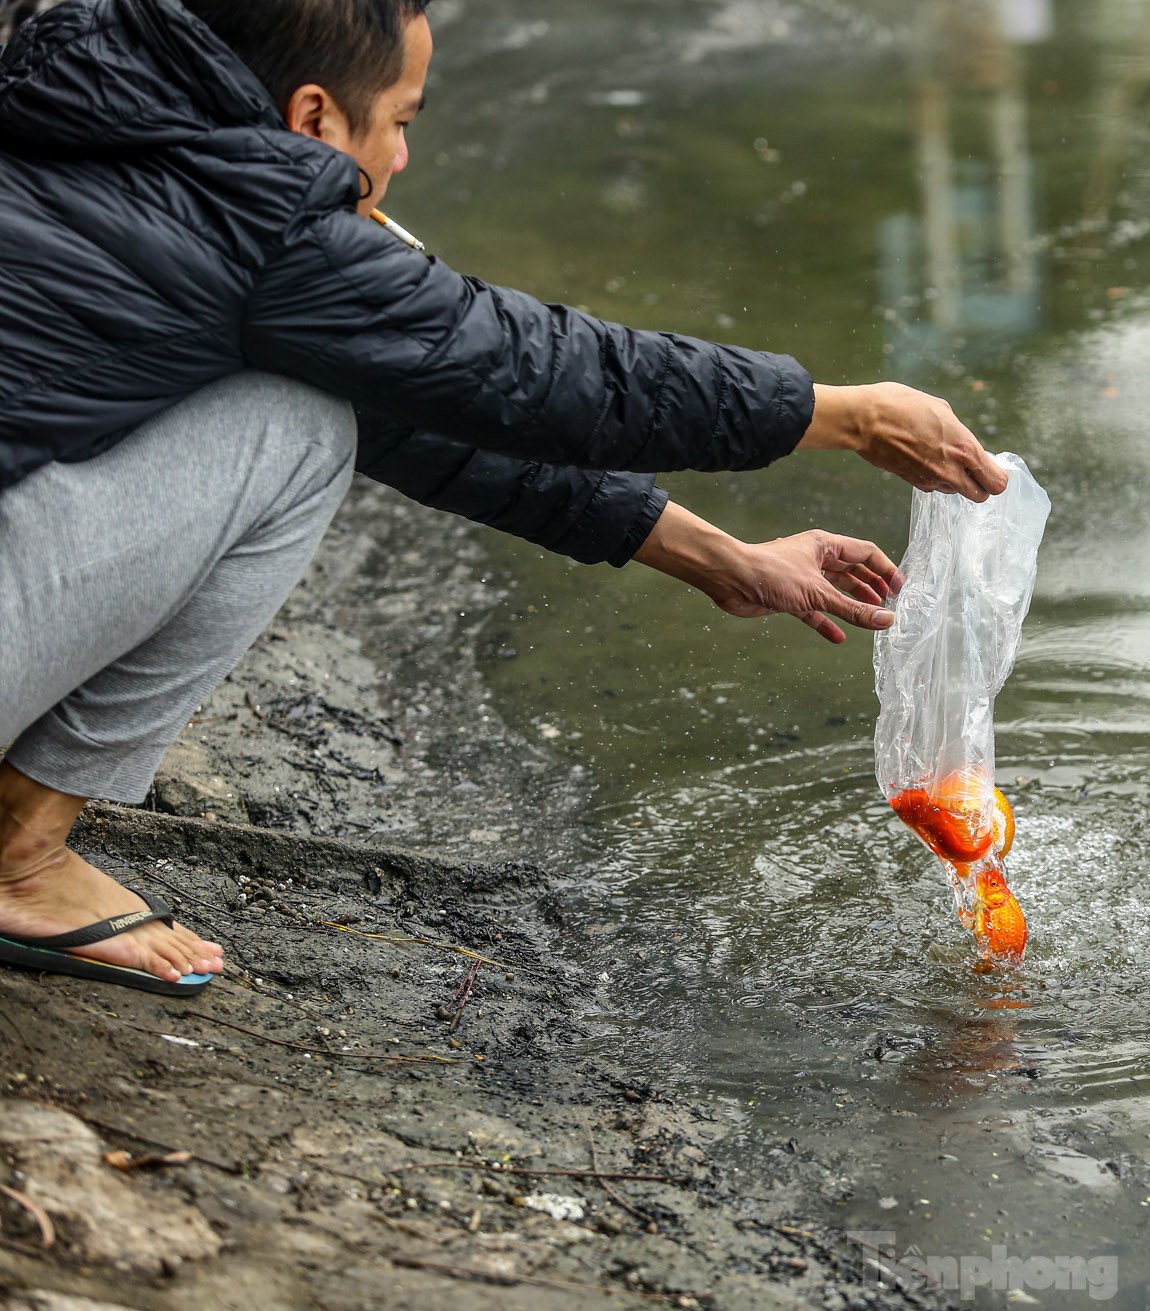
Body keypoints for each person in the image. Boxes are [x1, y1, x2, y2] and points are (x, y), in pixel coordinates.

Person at [0, 0, 1009, 998]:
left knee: (305, 397)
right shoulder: (257, 223)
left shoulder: (80, 95)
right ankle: (21, 858)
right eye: (397, 121)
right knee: (295, 428)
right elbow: (549, 375)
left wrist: (723, 561)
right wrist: (843, 415)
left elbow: (416, 406)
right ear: (312, 118)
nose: (399, 162)